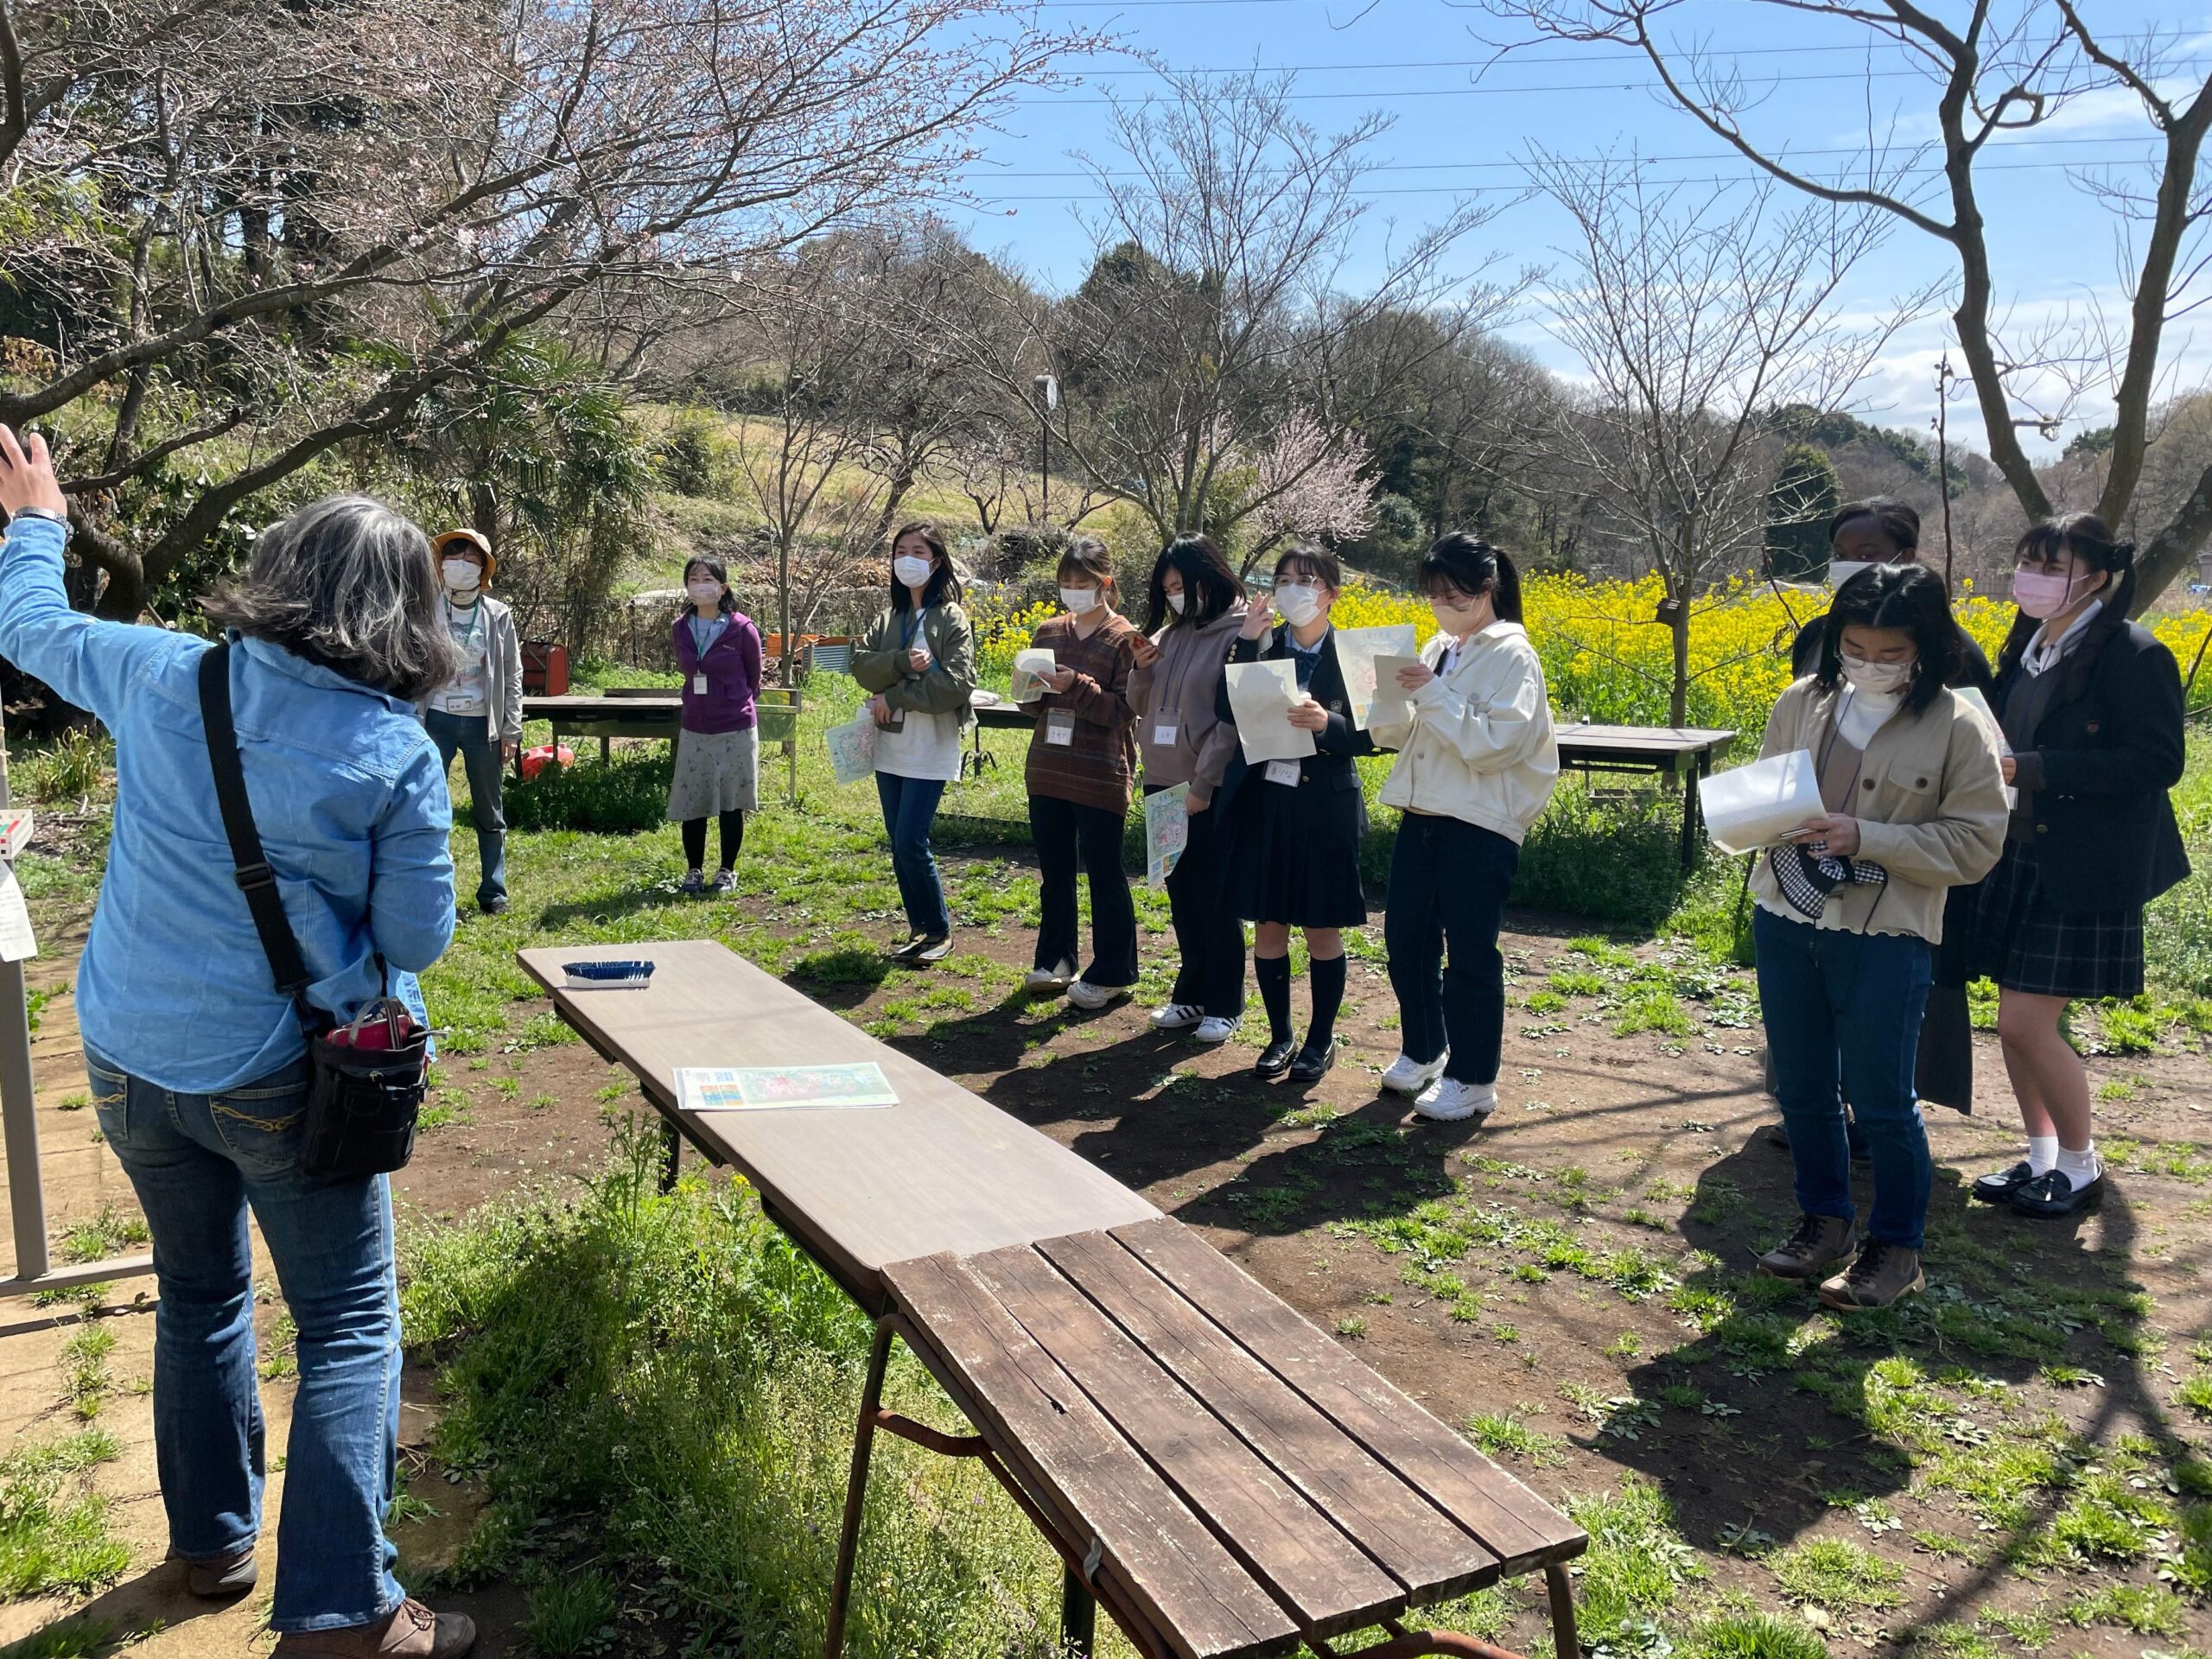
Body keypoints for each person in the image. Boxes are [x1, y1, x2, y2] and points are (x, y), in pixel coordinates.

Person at [0, 430, 474, 1657]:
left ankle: (212, 1547)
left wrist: (38, 521)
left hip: (126, 1052)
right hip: (282, 1072)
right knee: (349, 1326)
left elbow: (30, 627)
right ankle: (344, 1612)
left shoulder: (162, 672)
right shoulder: (393, 752)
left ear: (278, 573)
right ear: (408, 613)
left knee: (200, 1293)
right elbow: (417, 936)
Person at [1749, 563, 2007, 1311]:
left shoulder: (1959, 724)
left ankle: (1897, 1249)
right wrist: (1752, 816)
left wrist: (1869, 837)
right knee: (1802, 1086)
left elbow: (1976, 844)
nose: (1869, 664)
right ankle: (1824, 1222)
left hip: (1887, 930)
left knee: (1884, 1100)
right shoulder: (1803, 700)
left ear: (1927, 646)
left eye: (1890, 653)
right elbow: (1768, 789)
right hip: (1787, 915)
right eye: (1854, 648)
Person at [1954, 514, 2190, 1220]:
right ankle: (2040, 1157)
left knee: (2027, 1024)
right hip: (2017, 853)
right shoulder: (2028, 644)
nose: (2033, 578)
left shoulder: (2134, 654)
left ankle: (2081, 1166)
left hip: (2084, 864)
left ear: (2098, 577)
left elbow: (2156, 763)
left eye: (2052, 567)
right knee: (2012, 1022)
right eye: (2028, 562)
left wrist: (2031, 767)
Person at [1370, 533, 1560, 1122]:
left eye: (1454, 595)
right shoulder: (1438, 648)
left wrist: (1432, 693)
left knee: (1470, 954)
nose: (1442, 606)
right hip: (1422, 812)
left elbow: (1495, 745)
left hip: (1480, 822)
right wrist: (1385, 698)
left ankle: (1474, 1078)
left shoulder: (1513, 655)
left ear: (1488, 588)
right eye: (1433, 595)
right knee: (1406, 940)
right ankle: (1425, 1050)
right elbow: (1400, 735)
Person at [1215, 547, 1376, 1084]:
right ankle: (1280, 1035)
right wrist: (1246, 642)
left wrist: (1327, 723)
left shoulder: (1355, 654)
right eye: (1283, 580)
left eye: (1306, 581)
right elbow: (1223, 708)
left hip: (1325, 807)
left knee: (1322, 926)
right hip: (1266, 804)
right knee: (1269, 924)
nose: (1292, 590)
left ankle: (1320, 1038)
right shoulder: (1264, 644)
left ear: (1331, 593)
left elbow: (1376, 736)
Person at [1128, 534, 1248, 1043]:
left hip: (1206, 789)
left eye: (1182, 586)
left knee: (1214, 896)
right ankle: (1191, 993)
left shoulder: (1239, 633)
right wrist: (1141, 669)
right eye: (1168, 589)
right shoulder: (1170, 635)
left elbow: (1231, 722)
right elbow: (1139, 704)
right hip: (1162, 782)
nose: (1176, 596)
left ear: (1209, 578)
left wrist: (1203, 784)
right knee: (1181, 893)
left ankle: (1226, 1003)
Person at [1016, 537, 1141, 1007]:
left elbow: (1125, 710)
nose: (1073, 590)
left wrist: (1076, 685)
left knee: (1106, 874)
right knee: (1055, 872)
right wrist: (1028, 689)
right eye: (1066, 582)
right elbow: (1031, 707)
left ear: (1105, 583)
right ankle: (1055, 960)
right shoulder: (1048, 631)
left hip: (1100, 773)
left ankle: (1113, 971)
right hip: (1048, 768)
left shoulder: (1126, 638)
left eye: (1082, 583)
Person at [852, 522, 976, 963]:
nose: (908, 559)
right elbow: (861, 666)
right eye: (900, 551)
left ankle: (940, 931)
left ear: (936, 561)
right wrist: (903, 662)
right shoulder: (889, 617)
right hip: (890, 746)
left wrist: (896, 694)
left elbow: (957, 684)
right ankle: (919, 929)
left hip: (930, 748)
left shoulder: (951, 617)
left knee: (910, 840)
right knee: (898, 842)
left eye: (918, 551)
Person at [418, 529, 523, 917]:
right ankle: (431, 890)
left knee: (489, 813)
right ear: (441, 565)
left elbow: (512, 674)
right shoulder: (425, 607)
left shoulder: (498, 615)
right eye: (453, 557)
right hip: (435, 720)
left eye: (469, 559)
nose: (460, 565)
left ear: (483, 570)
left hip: (483, 725)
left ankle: (494, 893)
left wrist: (511, 729)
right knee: (426, 808)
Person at [1788, 498, 1993, 687]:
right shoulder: (1815, 636)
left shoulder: (1953, 651)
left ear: (1906, 557)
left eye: (1866, 555)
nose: (1849, 565)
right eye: (1840, 555)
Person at [667, 556, 765, 895]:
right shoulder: (681, 627)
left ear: (722, 587)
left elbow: (754, 678)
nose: (700, 585)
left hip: (735, 726)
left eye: (707, 579)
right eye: (693, 579)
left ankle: (727, 871)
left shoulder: (742, 628)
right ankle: (693, 871)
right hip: (695, 726)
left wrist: (731, 701)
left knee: (730, 802)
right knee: (693, 801)